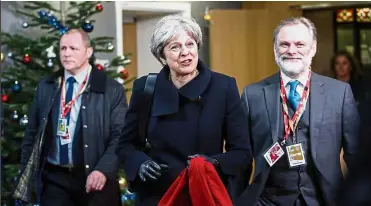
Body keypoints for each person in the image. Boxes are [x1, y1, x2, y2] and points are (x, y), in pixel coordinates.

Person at [116, 15, 252, 206]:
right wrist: (139, 163)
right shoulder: (145, 89)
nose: (185, 52)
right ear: (162, 55)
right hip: (158, 196)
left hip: (204, 195)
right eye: (175, 47)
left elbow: (242, 152)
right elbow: (126, 145)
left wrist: (213, 163)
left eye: (190, 44)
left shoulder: (223, 87)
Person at [238, 17, 360, 206]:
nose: (292, 50)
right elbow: (242, 157)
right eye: (284, 44)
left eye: (300, 44)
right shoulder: (251, 95)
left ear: (313, 48)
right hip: (266, 201)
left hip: (325, 200)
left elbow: (356, 155)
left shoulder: (340, 93)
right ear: (275, 49)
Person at [14, 29, 127, 206]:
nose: (66, 53)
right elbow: (32, 133)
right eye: (63, 48)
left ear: (88, 52)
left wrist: (103, 170)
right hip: (55, 179)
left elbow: (121, 136)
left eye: (73, 48)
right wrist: (26, 174)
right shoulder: (47, 86)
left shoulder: (110, 89)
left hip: (94, 178)